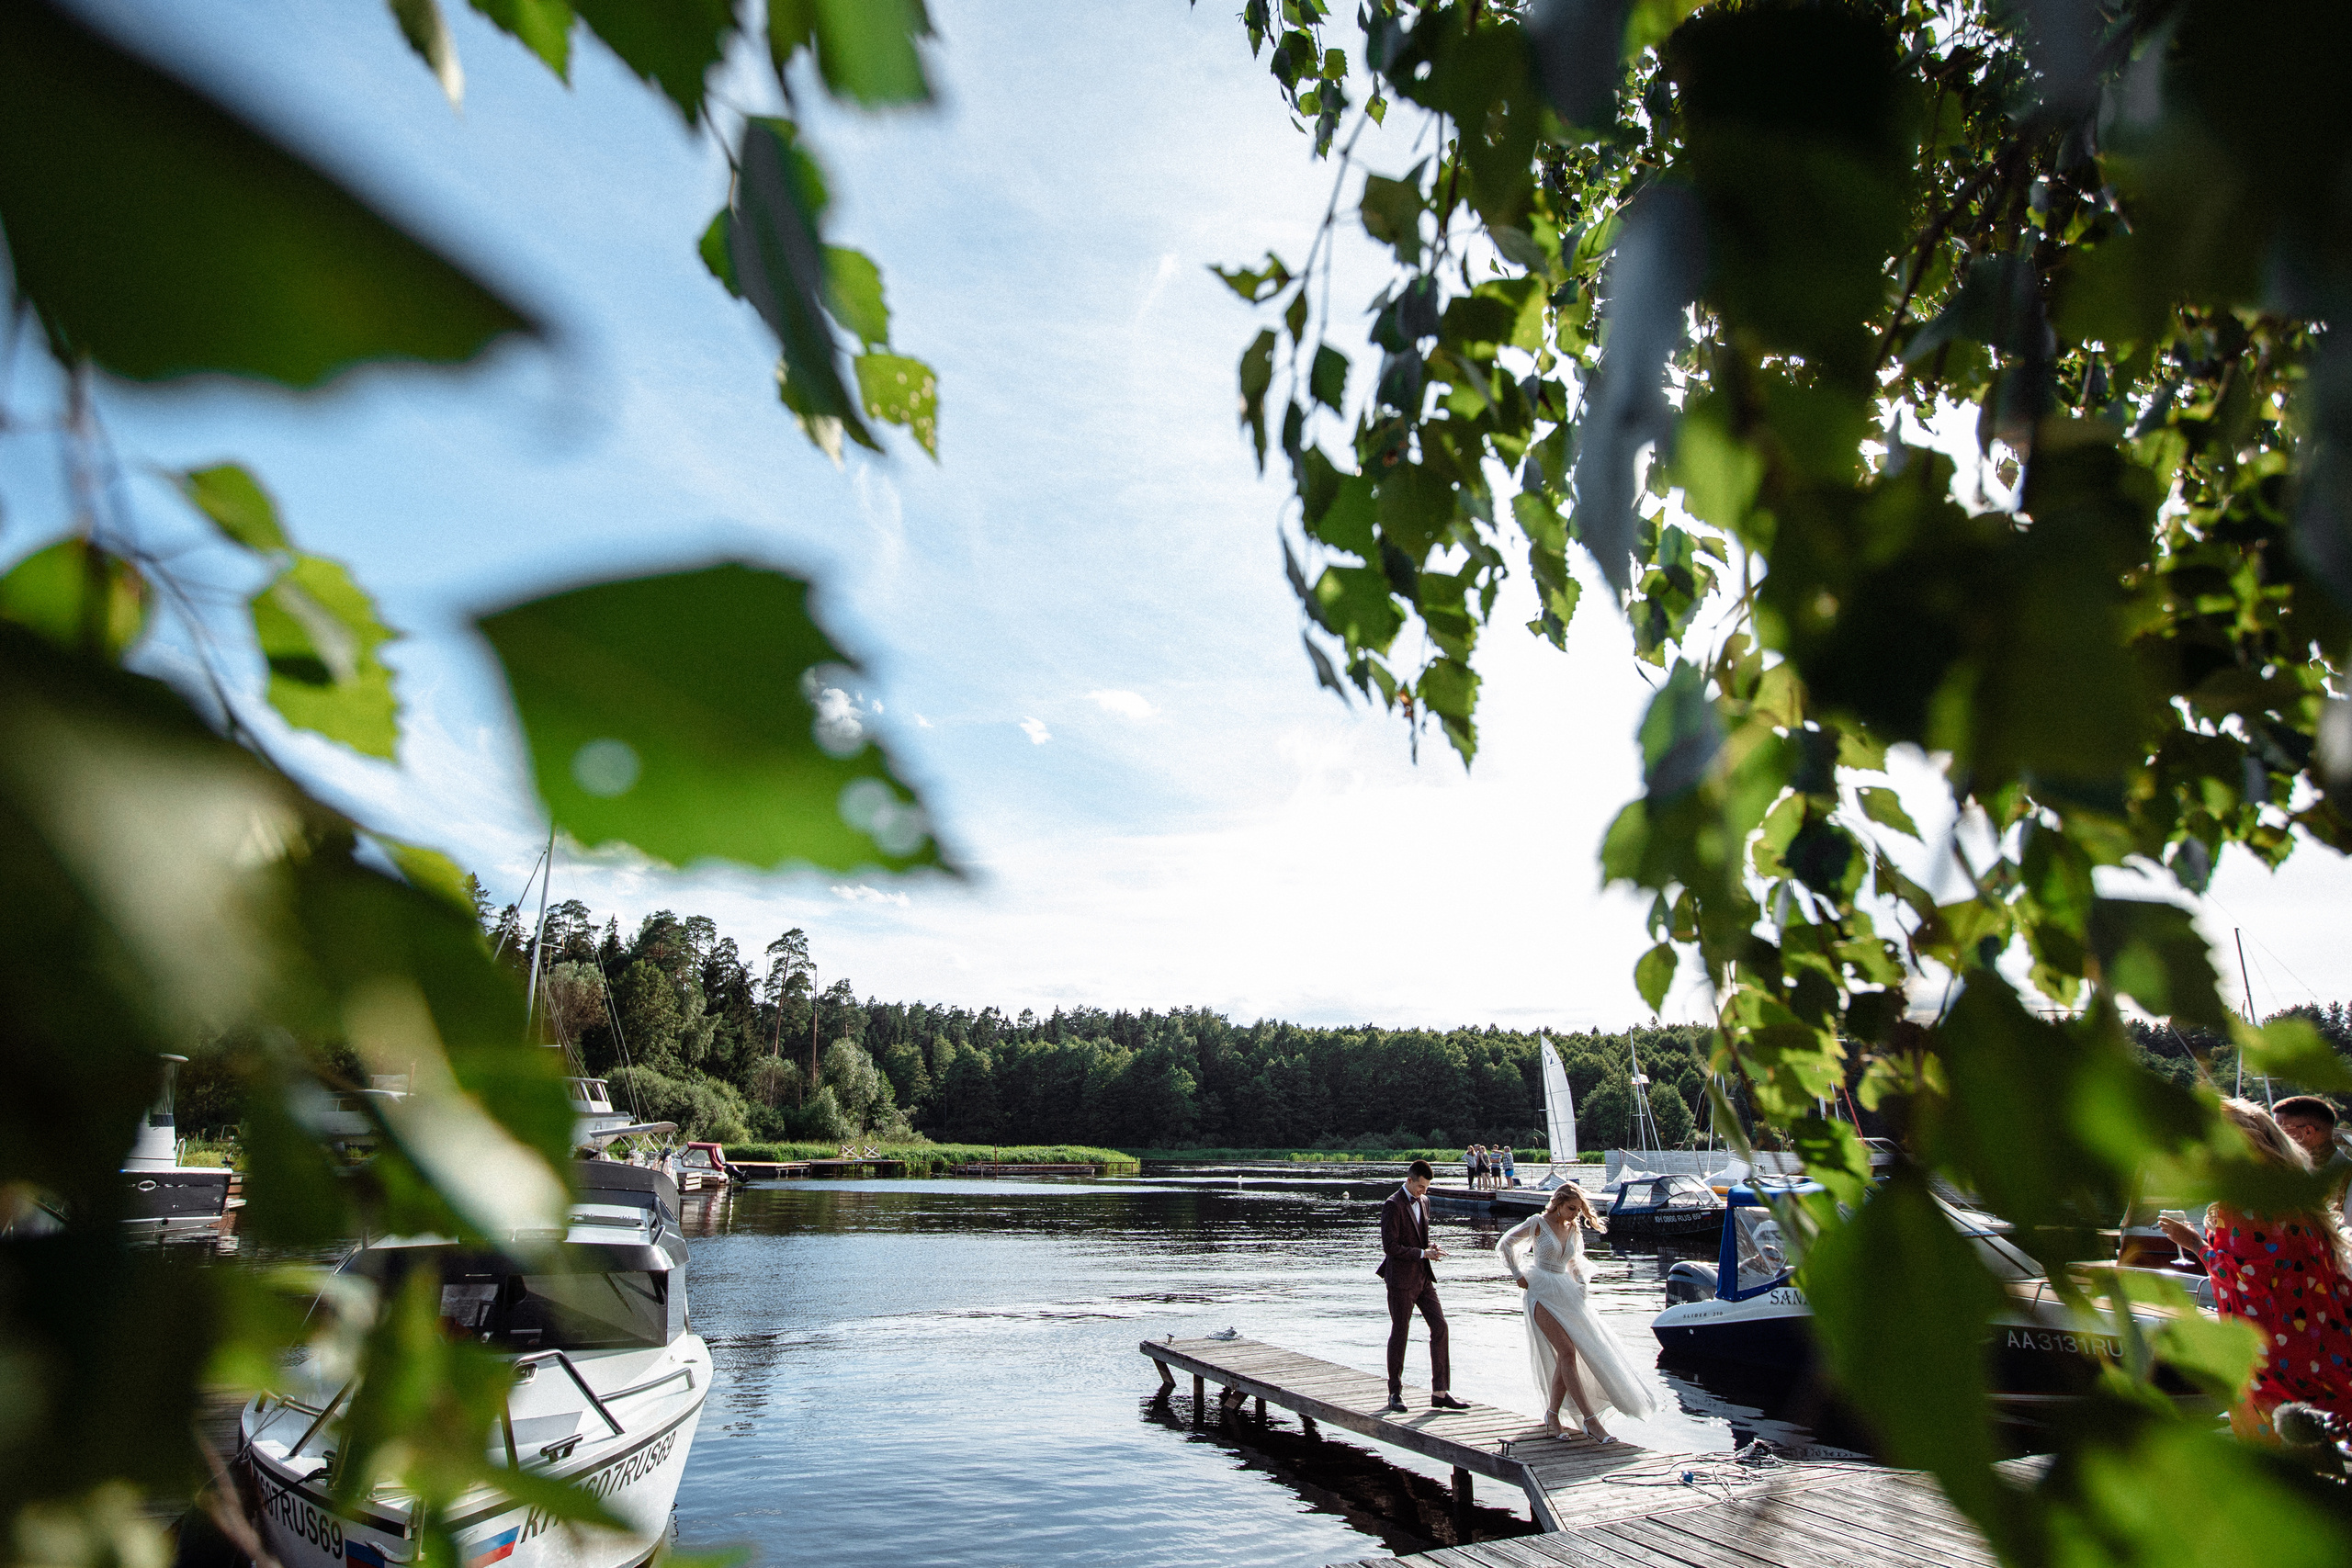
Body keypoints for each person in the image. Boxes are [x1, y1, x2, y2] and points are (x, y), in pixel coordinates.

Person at [2157, 1099, 2352, 1442]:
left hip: (2267, 1348)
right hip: (2313, 1339)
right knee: (2316, 1435)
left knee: (2284, 1442)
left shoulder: (2243, 1207)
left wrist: (2194, 1244)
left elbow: (2248, 1279)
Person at [1498, 1184, 1659, 1441]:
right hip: (1539, 1289)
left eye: (1579, 1210)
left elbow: (1574, 1262)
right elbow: (1506, 1244)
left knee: (1572, 1354)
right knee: (1567, 1351)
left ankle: (1552, 1415)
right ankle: (1590, 1421)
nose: (1575, 1214)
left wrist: (1581, 1282)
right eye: (1571, 1208)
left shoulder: (1573, 1228)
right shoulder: (1538, 1222)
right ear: (1559, 1203)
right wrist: (1517, 1274)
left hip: (1565, 1291)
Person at [1379, 1158, 1469, 1414]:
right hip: (1400, 1280)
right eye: (1420, 1187)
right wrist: (1422, 1253)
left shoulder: (1426, 1202)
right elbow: (1390, 1248)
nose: (1423, 1192)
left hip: (1423, 1278)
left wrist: (1431, 1250)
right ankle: (1394, 1393)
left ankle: (1440, 1392)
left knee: (1440, 1326)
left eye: (1426, 1188)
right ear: (1409, 1180)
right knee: (1400, 1332)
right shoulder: (1392, 1205)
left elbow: (1420, 1240)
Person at [2274, 1096, 2352, 1215]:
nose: (2275, 1138)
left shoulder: (2348, 1181)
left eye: (2280, 1131)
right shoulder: (2289, 1177)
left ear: (2308, 1131)